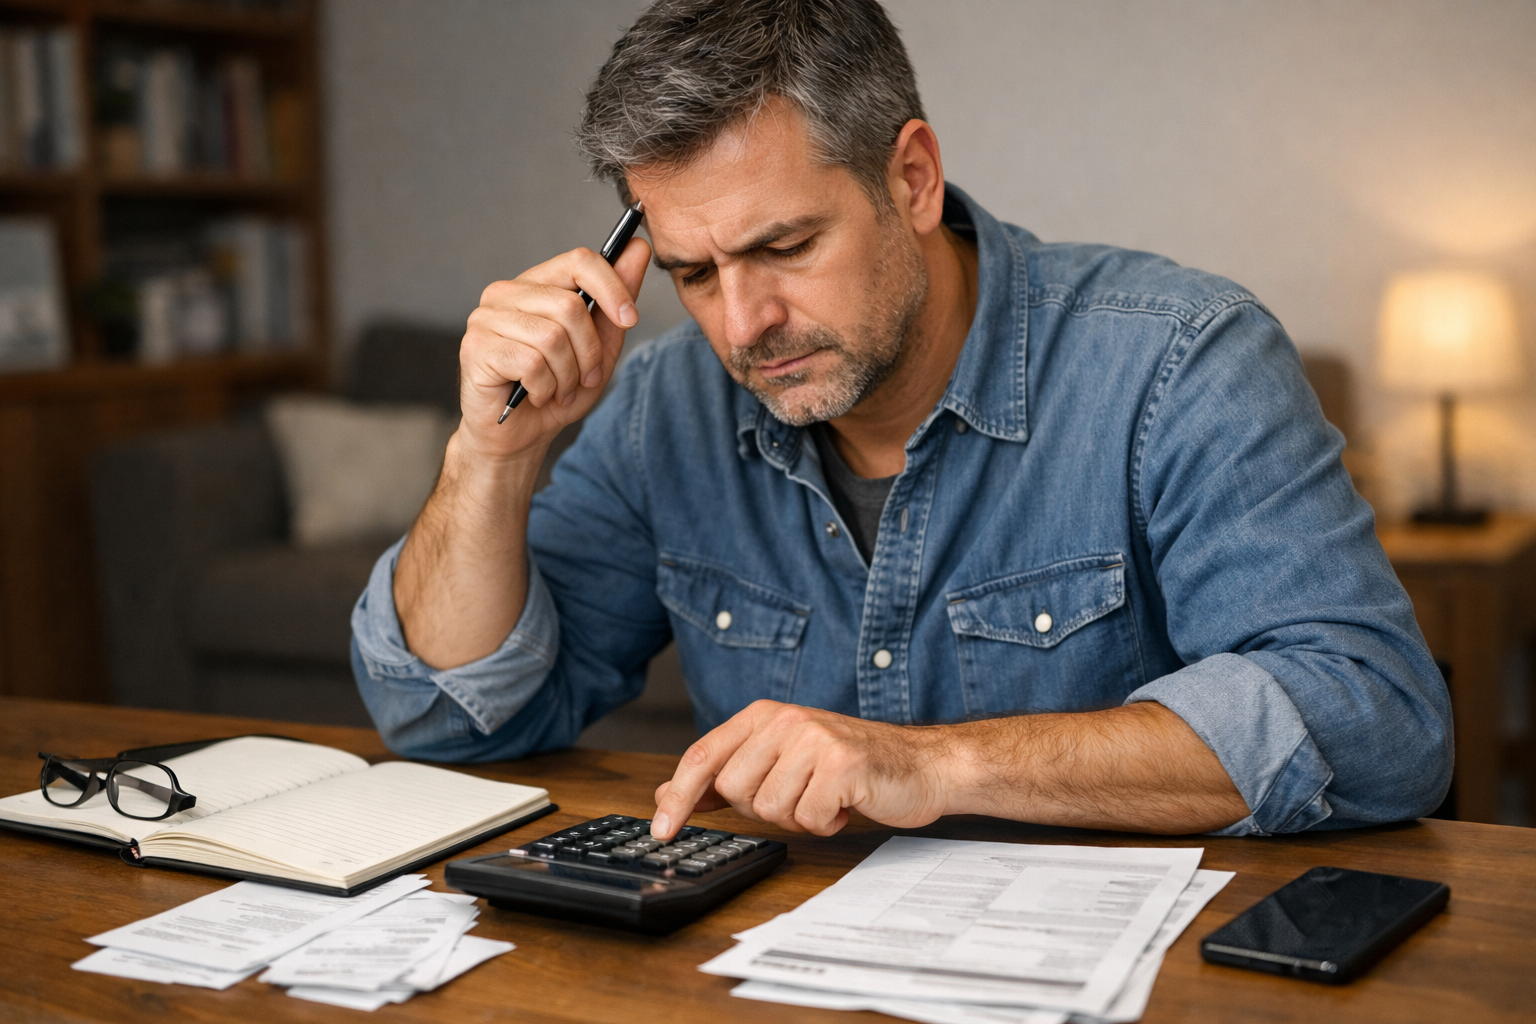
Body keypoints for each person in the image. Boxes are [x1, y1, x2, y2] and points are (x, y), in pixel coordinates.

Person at [351, 0, 1451, 842]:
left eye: (785, 247)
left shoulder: (1181, 360)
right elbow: (457, 718)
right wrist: (490, 457)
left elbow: (1377, 717)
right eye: (692, 272)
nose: (745, 325)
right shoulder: (664, 408)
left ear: (913, 179)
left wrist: (934, 764)